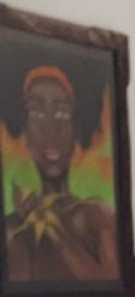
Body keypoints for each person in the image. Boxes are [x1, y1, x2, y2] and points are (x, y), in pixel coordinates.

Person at [4, 65, 119, 283]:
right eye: (36, 112)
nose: (50, 128)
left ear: (77, 127)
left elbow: (109, 282)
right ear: (23, 129)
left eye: (62, 112)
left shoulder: (96, 216)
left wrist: (53, 228)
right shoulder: (12, 230)